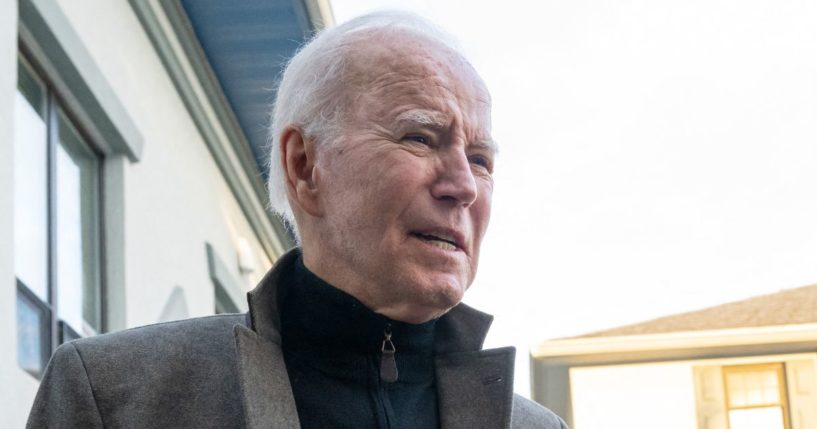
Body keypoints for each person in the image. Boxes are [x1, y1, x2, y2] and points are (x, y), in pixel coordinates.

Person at [27, 11, 567, 429]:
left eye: (480, 159)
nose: (464, 186)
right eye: (420, 137)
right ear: (304, 166)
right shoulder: (116, 397)